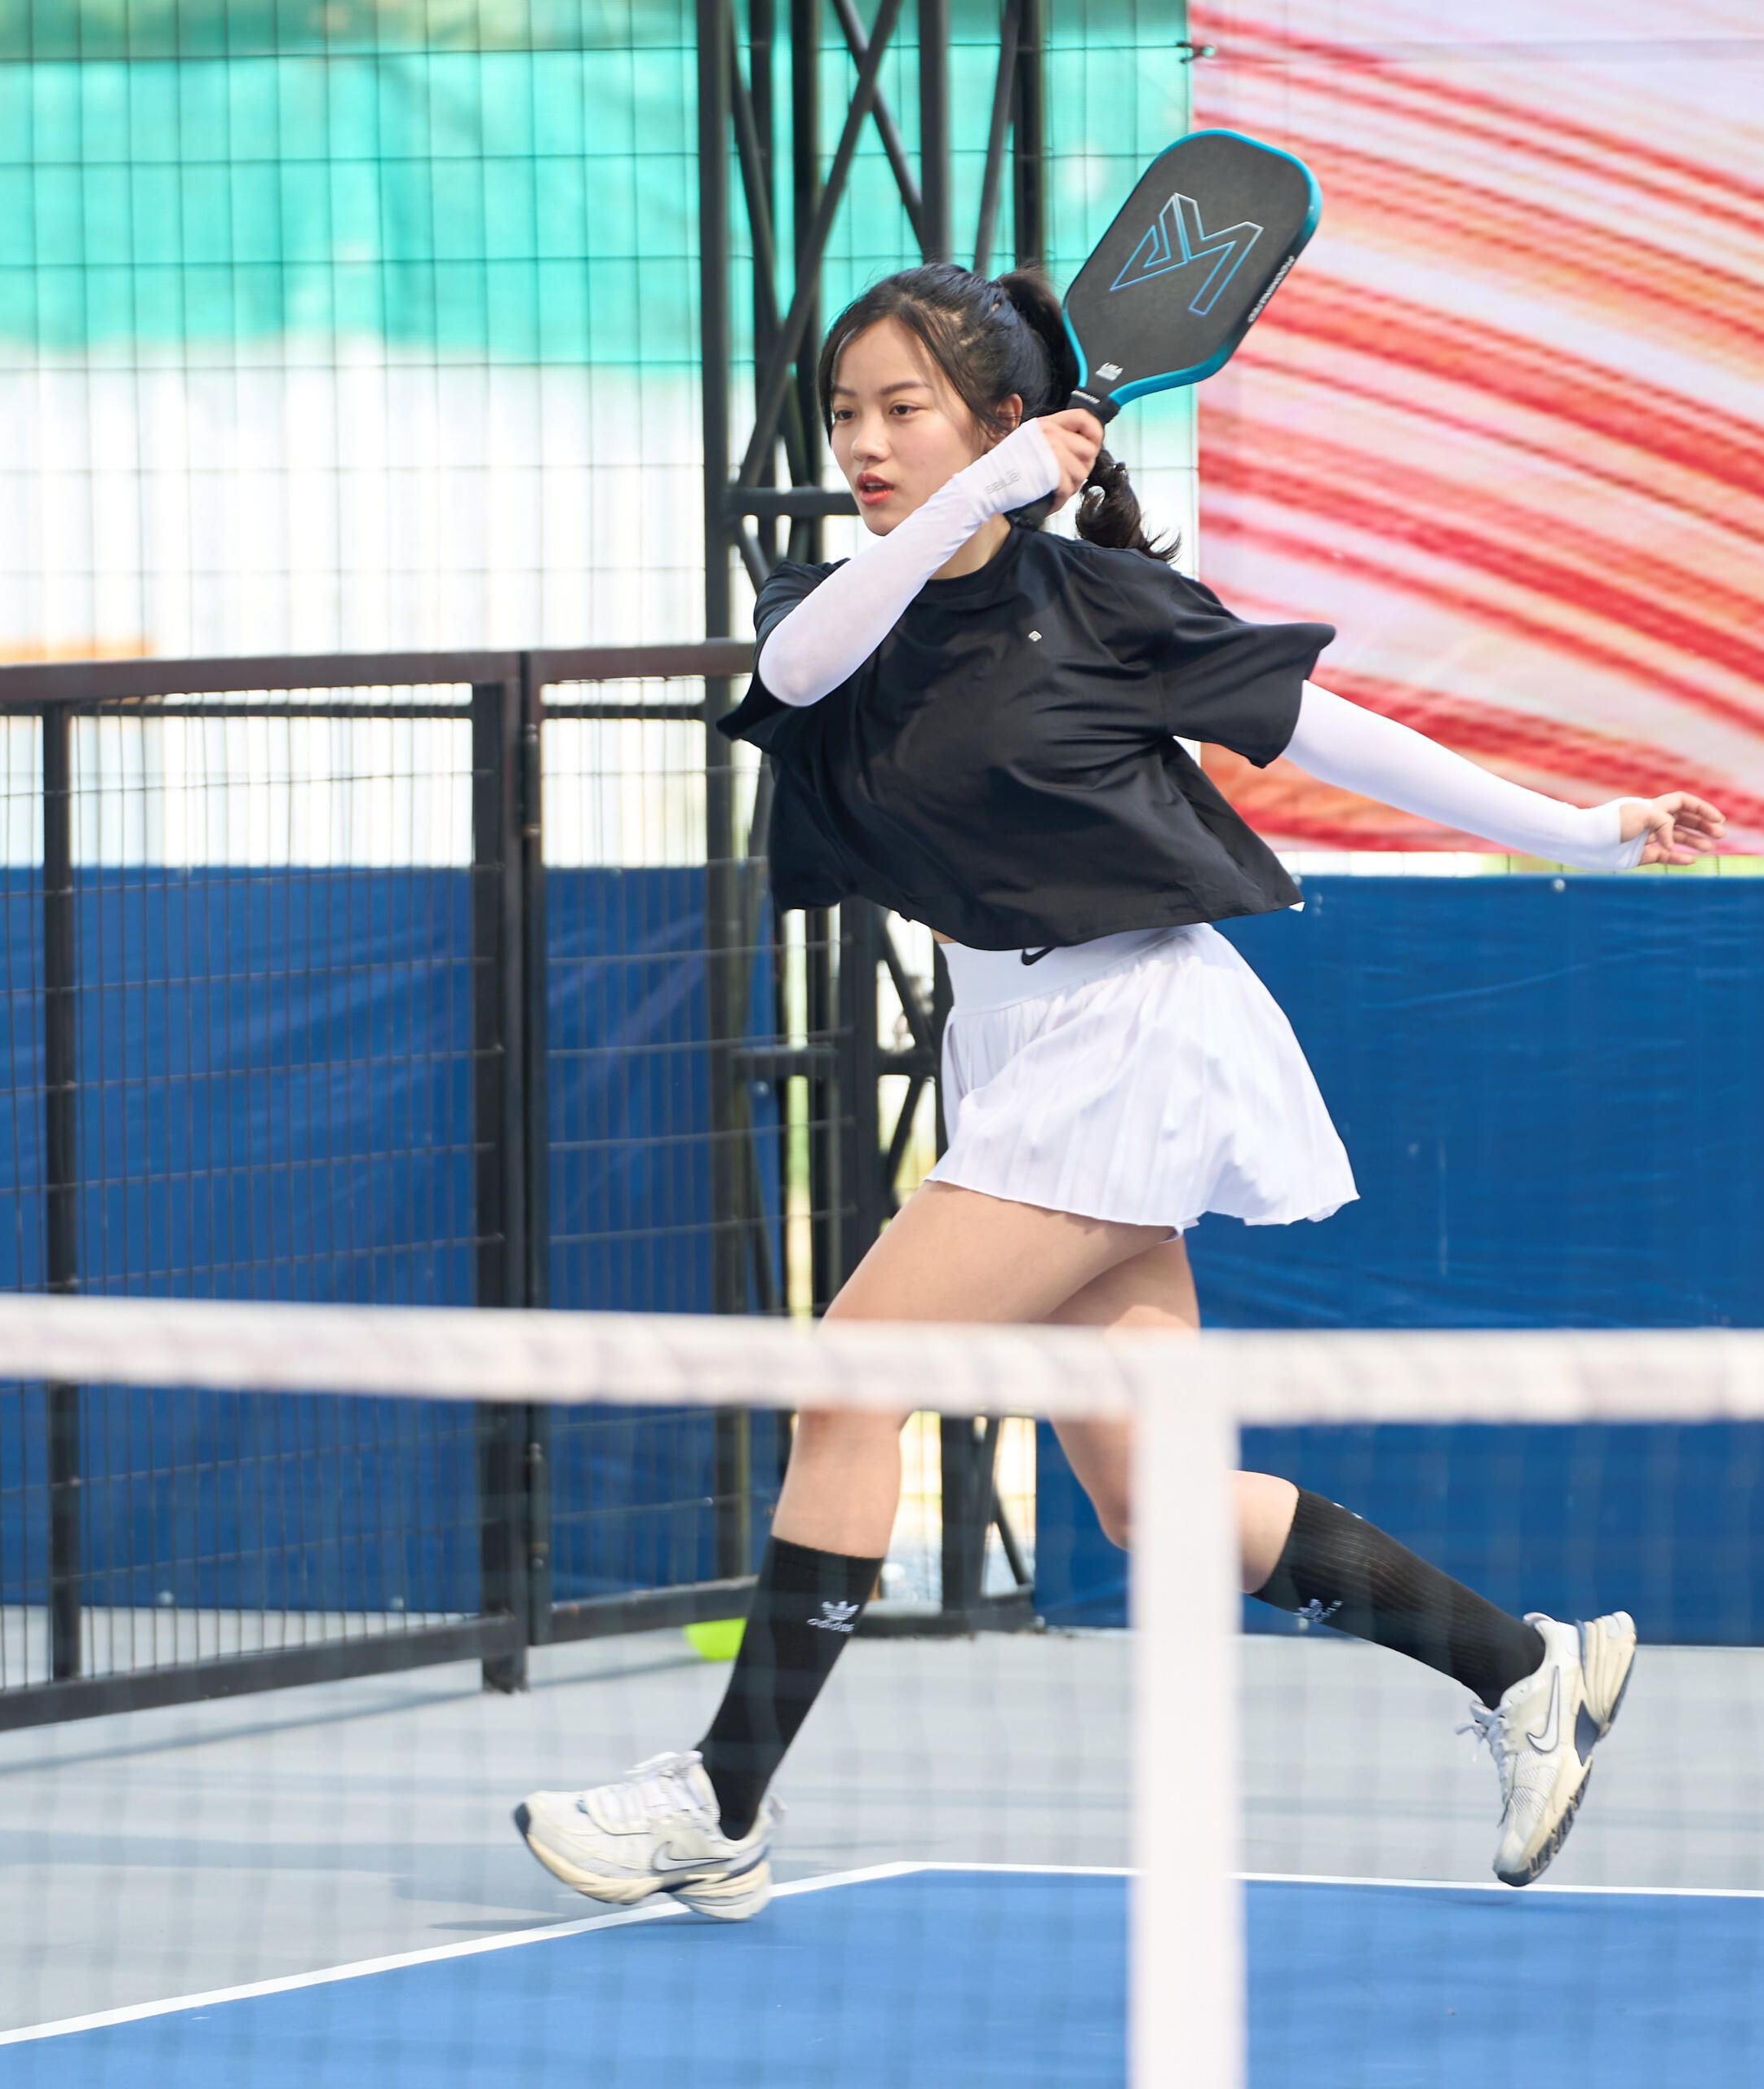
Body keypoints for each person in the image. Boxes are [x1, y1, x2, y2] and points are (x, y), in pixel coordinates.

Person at [513, 262, 1724, 1922]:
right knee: (1156, 1497)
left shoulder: (1099, 606)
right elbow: (797, 671)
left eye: (903, 409)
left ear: (1001, 416)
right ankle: (1521, 1668)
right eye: (845, 411)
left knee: (851, 1373)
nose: (862, 441)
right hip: (1007, 1042)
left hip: (1131, 1031)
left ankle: (718, 1799)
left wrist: (1575, 829)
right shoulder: (840, 600)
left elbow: (1326, 732)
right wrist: (981, 489)